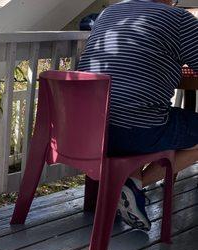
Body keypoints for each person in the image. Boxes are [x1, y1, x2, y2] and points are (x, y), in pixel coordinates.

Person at [77, 0, 198, 231]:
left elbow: (87, 21)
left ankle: (128, 183)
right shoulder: (180, 20)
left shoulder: (109, 13)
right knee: (152, 118)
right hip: (138, 130)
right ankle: (130, 184)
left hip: (90, 129)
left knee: (141, 112)